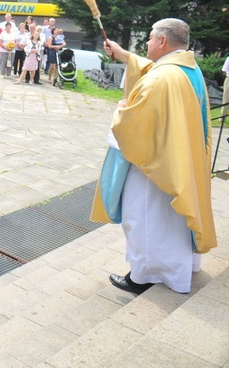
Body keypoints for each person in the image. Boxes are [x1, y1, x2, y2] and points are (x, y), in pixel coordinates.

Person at [92, 18, 216, 294]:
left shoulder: (163, 78)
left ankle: (147, 275)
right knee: (174, 222)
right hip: (180, 162)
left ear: (162, 41)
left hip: (155, 171)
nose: (146, 43)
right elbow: (151, 69)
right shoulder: (186, 68)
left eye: (150, 37)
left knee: (145, 218)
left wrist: (121, 108)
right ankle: (182, 266)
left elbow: (132, 123)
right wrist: (124, 56)